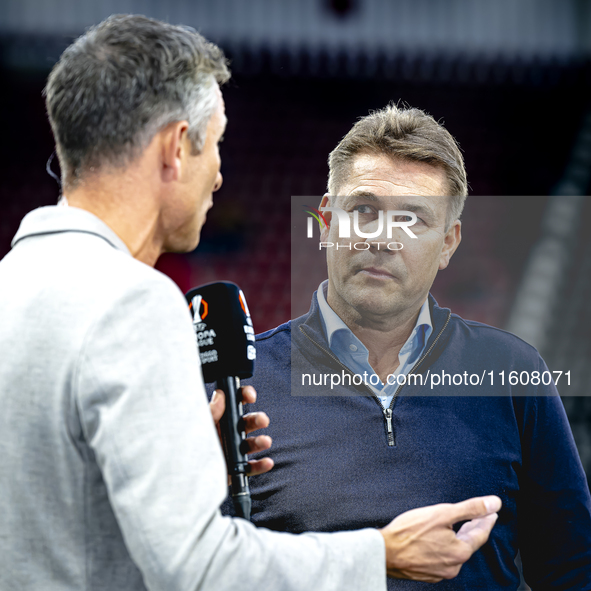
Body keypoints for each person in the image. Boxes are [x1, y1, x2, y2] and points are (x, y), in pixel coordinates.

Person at [0, 15, 502, 591]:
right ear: (173, 149)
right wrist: (378, 553)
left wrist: (183, 461)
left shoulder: (12, 285)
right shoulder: (134, 305)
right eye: (213, 143)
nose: (218, 175)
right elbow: (200, 570)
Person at [224, 104, 591, 589]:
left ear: (448, 244)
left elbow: (573, 570)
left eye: (413, 219)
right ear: (327, 222)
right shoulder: (241, 386)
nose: (382, 238)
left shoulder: (512, 371)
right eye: (363, 210)